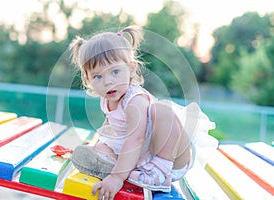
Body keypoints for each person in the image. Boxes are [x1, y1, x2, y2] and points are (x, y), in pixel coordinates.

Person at [69, 26, 216, 200]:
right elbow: (111, 125)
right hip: (142, 161)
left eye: (115, 72)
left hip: (171, 158)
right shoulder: (107, 99)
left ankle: (157, 171)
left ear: (131, 68)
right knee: (102, 148)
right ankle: (116, 164)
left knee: (161, 109)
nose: (108, 82)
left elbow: (136, 138)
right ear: (88, 80)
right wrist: (100, 145)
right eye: (98, 77)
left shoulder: (134, 100)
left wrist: (117, 178)